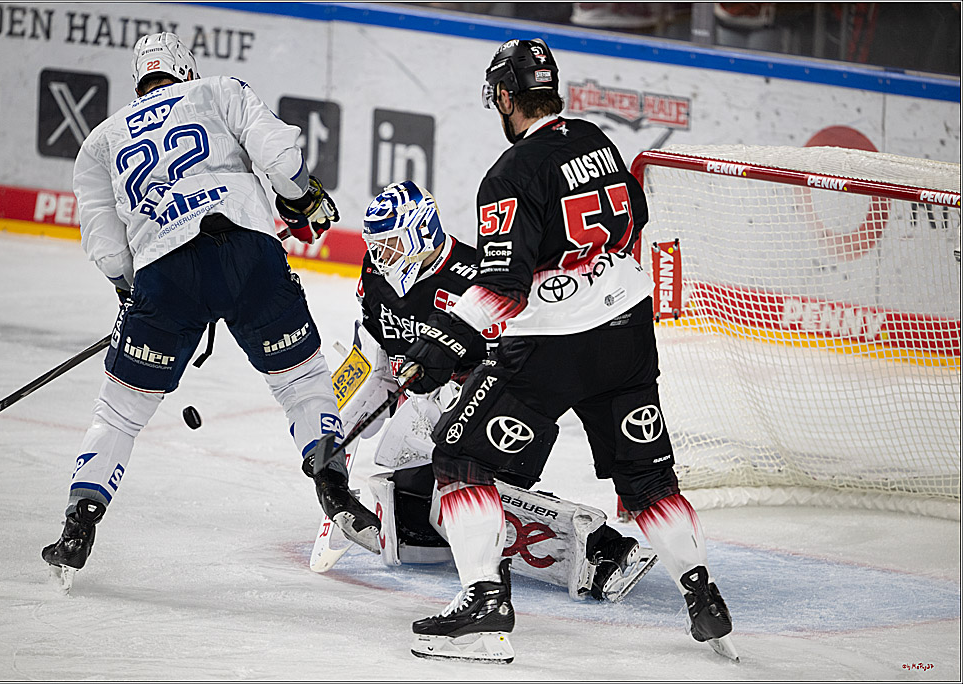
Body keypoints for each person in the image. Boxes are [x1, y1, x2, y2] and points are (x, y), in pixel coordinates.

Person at [401, 38, 735, 663]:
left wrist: (440, 346)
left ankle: (482, 603)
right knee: (648, 479)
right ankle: (701, 592)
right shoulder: (596, 140)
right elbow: (633, 216)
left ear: (504, 96)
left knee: (459, 459)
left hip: (554, 349)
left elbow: (503, 289)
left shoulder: (507, 176)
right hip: (630, 334)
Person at [41, 32, 380, 590]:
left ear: (138, 79)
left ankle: (78, 526)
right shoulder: (219, 91)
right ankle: (334, 487)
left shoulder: (99, 144)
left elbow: (106, 247)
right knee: (303, 384)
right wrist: (297, 197)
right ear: (184, 68)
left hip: (164, 272)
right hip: (249, 253)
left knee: (120, 413)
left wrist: (139, 299)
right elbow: (282, 157)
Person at [325, 180, 657, 603]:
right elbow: (374, 359)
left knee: (448, 473)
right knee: (410, 507)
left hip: (508, 410)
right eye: (376, 245)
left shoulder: (480, 280)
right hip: (441, 415)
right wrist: (332, 437)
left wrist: (451, 395)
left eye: (390, 244)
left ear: (421, 231)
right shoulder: (376, 278)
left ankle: (599, 545)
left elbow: (524, 366)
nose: (381, 256)